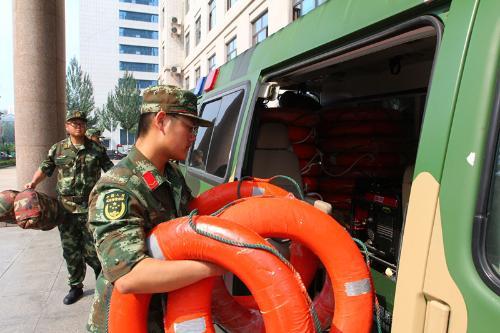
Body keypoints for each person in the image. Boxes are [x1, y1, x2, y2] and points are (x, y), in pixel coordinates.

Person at [86, 85, 223, 333]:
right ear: (161, 120)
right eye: (190, 128)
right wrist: (214, 267)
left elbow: (189, 222)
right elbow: (129, 275)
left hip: (167, 313)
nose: (194, 137)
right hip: (130, 321)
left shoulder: (170, 173)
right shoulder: (119, 188)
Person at [25, 110, 114, 305]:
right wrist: (33, 183)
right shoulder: (58, 149)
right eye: (74, 122)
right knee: (71, 250)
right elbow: (45, 168)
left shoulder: (96, 150)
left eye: (81, 122)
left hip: (90, 207)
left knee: (94, 250)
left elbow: (110, 171)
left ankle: (105, 286)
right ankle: (76, 287)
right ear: (67, 126)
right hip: (65, 210)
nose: (78, 125)